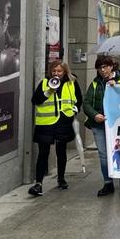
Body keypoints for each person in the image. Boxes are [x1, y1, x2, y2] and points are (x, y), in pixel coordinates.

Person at [28, 60, 83, 197]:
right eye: (54, 71)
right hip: (46, 123)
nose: (56, 74)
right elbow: (35, 100)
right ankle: (38, 183)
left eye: (59, 71)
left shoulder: (72, 83)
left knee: (61, 151)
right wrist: (48, 92)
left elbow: (78, 98)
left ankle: (61, 178)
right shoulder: (45, 83)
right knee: (43, 153)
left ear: (65, 71)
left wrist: (75, 109)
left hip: (63, 121)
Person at [83, 55, 120, 197]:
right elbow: (86, 103)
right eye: (100, 68)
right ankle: (108, 183)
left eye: (105, 67)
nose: (103, 70)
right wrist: (94, 115)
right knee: (103, 154)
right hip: (100, 124)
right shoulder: (96, 84)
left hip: (118, 124)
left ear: (111, 67)